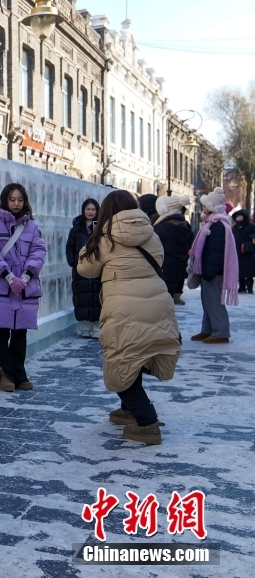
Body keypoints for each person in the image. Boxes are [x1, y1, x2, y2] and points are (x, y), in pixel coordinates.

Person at [77, 190, 180, 445]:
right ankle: (128, 410)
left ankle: (147, 422)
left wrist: (92, 238)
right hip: (156, 304)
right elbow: (159, 261)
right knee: (136, 355)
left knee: (120, 360)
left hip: (123, 308)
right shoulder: (151, 234)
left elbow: (85, 268)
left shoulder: (104, 238)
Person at [0, 183, 47, 392]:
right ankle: (4, 374)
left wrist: (27, 276)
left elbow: (38, 251)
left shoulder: (32, 227)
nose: (16, 203)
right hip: (2, 286)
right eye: (12, 199)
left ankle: (19, 372)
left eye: (20, 199)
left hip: (26, 287)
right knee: (2, 332)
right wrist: (9, 277)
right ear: (4, 200)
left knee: (20, 333)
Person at [188, 188, 238, 344]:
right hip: (209, 269)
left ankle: (221, 332)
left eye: (206, 206)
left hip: (214, 271)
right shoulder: (211, 223)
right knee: (207, 301)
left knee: (214, 301)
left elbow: (216, 251)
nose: (204, 208)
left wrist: (209, 271)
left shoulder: (217, 225)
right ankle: (208, 330)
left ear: (213, 207)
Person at [66, 198, 101, 337]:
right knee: (81, 297)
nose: (91, 212)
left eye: (93, 209)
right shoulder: (76, 229)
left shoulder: (101, 227)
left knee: (98, 296)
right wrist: (73, 261)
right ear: (83, 210)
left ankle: (97, 326)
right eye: (88, 209)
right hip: (80, 269)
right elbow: (69, 246)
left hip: (98, 268)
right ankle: (85, 326)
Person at [153, 194, 194, 305]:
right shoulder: (184, 225)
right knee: (168, 300)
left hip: (162, 268)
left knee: (160, 302)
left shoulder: (161, 227)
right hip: (177, 266)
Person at [231, 209, 255, 294]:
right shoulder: (234, 227)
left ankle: (249, 287)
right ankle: (242, 287)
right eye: (237, 216)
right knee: (239, 270)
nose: (239, 218)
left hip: (248, 251)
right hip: (237, 250)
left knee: (249, 271)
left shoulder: (251, 227)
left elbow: (253, 237)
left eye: (240, 216)